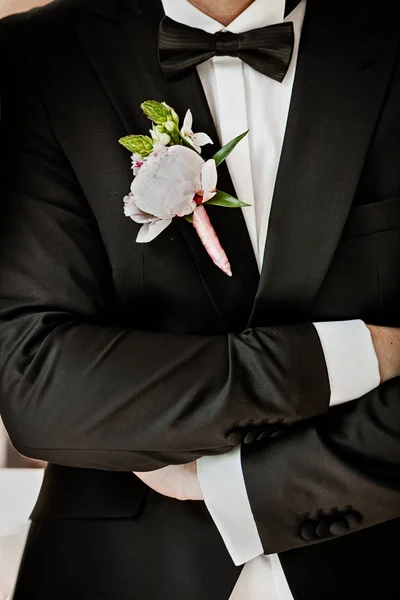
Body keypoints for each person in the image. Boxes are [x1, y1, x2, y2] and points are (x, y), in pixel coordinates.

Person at [0, 0, 399, 598]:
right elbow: (38, 386)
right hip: (117, 570)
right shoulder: (35, 56)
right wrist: (355, 355)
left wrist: (247, 488)